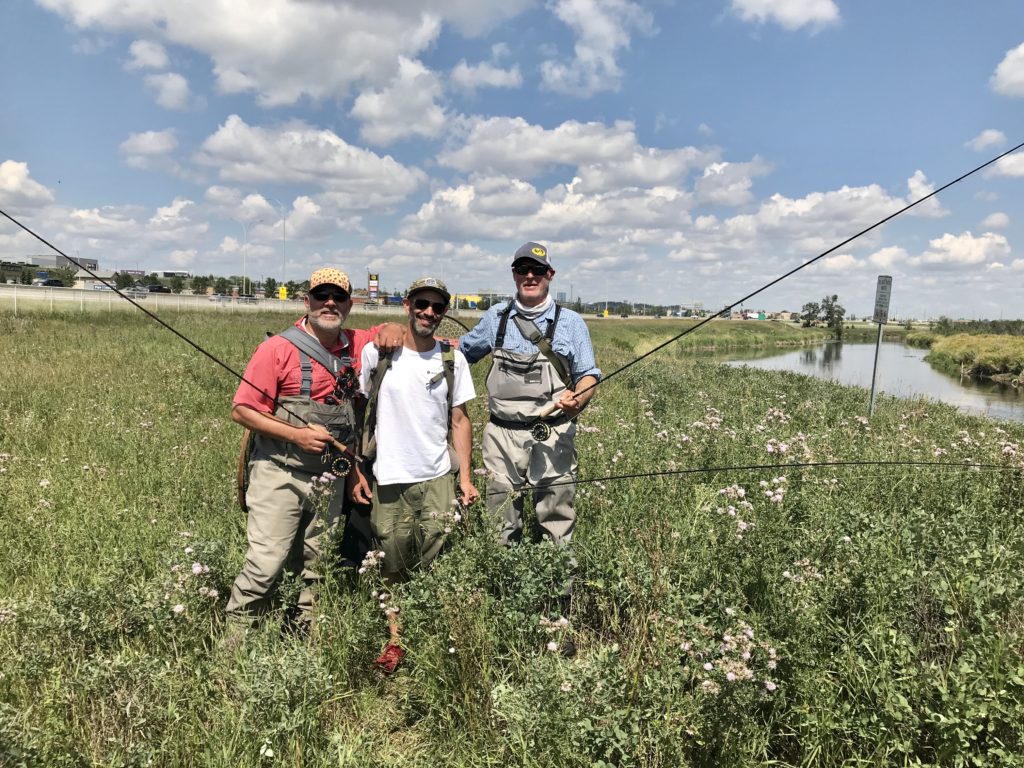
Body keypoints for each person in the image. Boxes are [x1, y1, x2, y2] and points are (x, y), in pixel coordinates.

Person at [225, 267, 403, 632]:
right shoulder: (277, 349)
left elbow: (391, 332)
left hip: (330, 478)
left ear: (350, 305)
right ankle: (235, 649)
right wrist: (297, 435)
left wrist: (393, 328)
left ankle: (306, 639)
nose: (330, 303)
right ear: (307, 302)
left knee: (317, 567)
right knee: (266, 564)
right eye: (322, 296)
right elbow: (242, 410)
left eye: (338, 297)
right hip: (280, 472)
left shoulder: (357, 344)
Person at [353, 277, 479, 673]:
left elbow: (460, 420)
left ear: (444, 313)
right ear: (407, 305)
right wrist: (358, 470)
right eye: (421, 304)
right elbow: (356, 416)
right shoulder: (379, 353)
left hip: (437, 476)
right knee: (392, 562)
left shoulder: (451, 359)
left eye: (437, 307)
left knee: (435, 556)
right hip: (389, 476)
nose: (428, 313)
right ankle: (396, 639)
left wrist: (465, 478)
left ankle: (431, 629)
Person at [459, 242, 600, 595]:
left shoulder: (571, 323)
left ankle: (559, 599)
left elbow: (588, 375)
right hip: (500, 434)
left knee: (556, 515)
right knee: (500, 515)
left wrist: (577, 401)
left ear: (550, 274)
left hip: (551, 433)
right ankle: (504, 595)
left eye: (538, 269)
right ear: (514, 274)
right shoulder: (496, 317)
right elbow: (462, 354)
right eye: (523, 269)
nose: (530, 276)